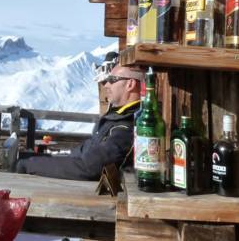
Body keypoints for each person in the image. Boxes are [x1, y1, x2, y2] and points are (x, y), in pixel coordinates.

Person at [15, 63, 143, 181]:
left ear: (130, 84)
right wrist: (36, 159)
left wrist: (29, 164)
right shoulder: (118, 117)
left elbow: (88, 167)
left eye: (112, 79)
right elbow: (84, 153)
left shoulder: (128, 126)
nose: (106, 85)